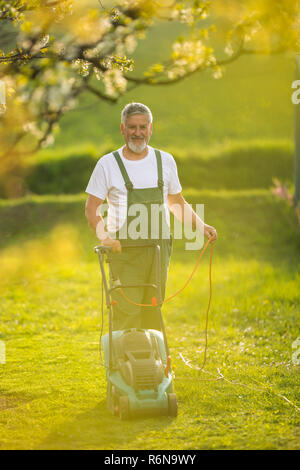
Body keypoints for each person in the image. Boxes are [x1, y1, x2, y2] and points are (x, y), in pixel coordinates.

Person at [85, 102, 217, 331]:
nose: (137, 132)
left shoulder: (165, 161)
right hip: (124, 250)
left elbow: (175, 202)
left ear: (150, 128)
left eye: (142, 127)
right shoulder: (108, 164)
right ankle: (122, 364)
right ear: (122, 128)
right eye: (132, 127)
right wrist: (105, 238)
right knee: (126, 309)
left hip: (157, 250)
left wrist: (201, 226)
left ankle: (155, 364)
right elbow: (92, 207)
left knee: (153, 307)